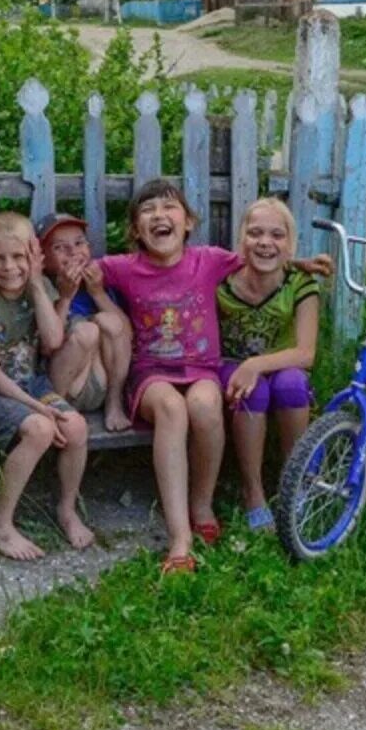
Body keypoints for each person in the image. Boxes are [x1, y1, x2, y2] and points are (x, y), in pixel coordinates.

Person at [94, 179, 331, 574]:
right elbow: (82, 268)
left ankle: (202, 502)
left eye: (168, 209)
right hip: (151, 373)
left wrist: (301, 263)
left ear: (188, 222)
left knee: (205, 404)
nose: (158, 216)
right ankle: (180, 537)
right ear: (136, 230)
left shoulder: (209, 260)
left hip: (202, 370)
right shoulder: (122, 267)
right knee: (172, 408)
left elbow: (263, 256)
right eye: (147, 212)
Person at [0, 213, 97, 559]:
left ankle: (66, 510)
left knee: (76, 426)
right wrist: (40, 408)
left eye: (19, 257)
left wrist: (37, 284)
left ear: (33, 258)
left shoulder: (40, 288)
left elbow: (52, 343)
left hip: (31, 384)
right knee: (40, 429)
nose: (10, 267)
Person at [216, 198, 320, 533]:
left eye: (277, 235)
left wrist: (257, 363)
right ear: (241, 239)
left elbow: (306, 353)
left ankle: (295, 477)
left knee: (292, 384)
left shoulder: (300, 284)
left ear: (290, 245)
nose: (265, 242)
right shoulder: (221, 281)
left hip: (281, 363)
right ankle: (253, 490)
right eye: (255, 233)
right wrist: (249, 368)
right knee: (253, 390)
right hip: (231, 365)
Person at [37, 212, 131, 431]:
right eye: (59, 247)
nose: (73, 252)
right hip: (65, 384)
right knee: (86, 331)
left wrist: (98, 294)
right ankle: (58, 411)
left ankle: (114, 404)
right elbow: (47, 347)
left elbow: (127, 335)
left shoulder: (101, 285)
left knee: (110, 322)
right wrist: (65, 297)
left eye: (79, 243)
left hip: (102, 380)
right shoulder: (43, 288)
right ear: (43, 259)